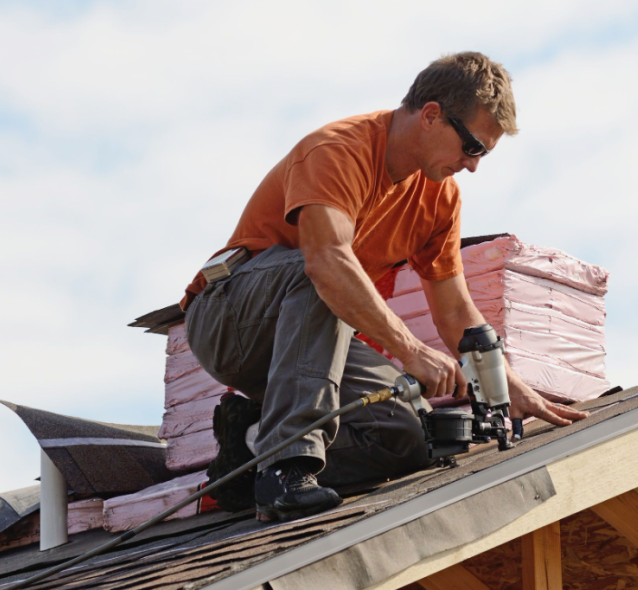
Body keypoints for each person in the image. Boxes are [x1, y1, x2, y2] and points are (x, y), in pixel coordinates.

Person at [181, 52, 589, 522]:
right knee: (329, 272)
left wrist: (511, 387)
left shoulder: (440, 196)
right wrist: (411, 351)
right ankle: (284, 471)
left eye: (484, 154)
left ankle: (247, 453)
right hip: (228, 320)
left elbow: (455, 311)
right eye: (472, 147)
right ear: (431, 115)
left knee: (404, 436)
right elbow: (326, 263)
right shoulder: (337, 150)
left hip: (307, 338)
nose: (473, 166)